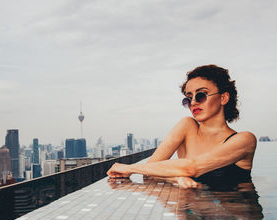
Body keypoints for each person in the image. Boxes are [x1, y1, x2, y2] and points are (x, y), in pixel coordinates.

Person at [107, 64, 257, 188]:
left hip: (233, 216)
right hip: (195, 216)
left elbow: (192, 167)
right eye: (188, 98)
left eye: (201, 95)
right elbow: (150, 170)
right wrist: (177, 178)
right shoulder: (187, 127)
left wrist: (129, 168)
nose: (193, 103)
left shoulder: (245, 140)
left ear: (223, 97)